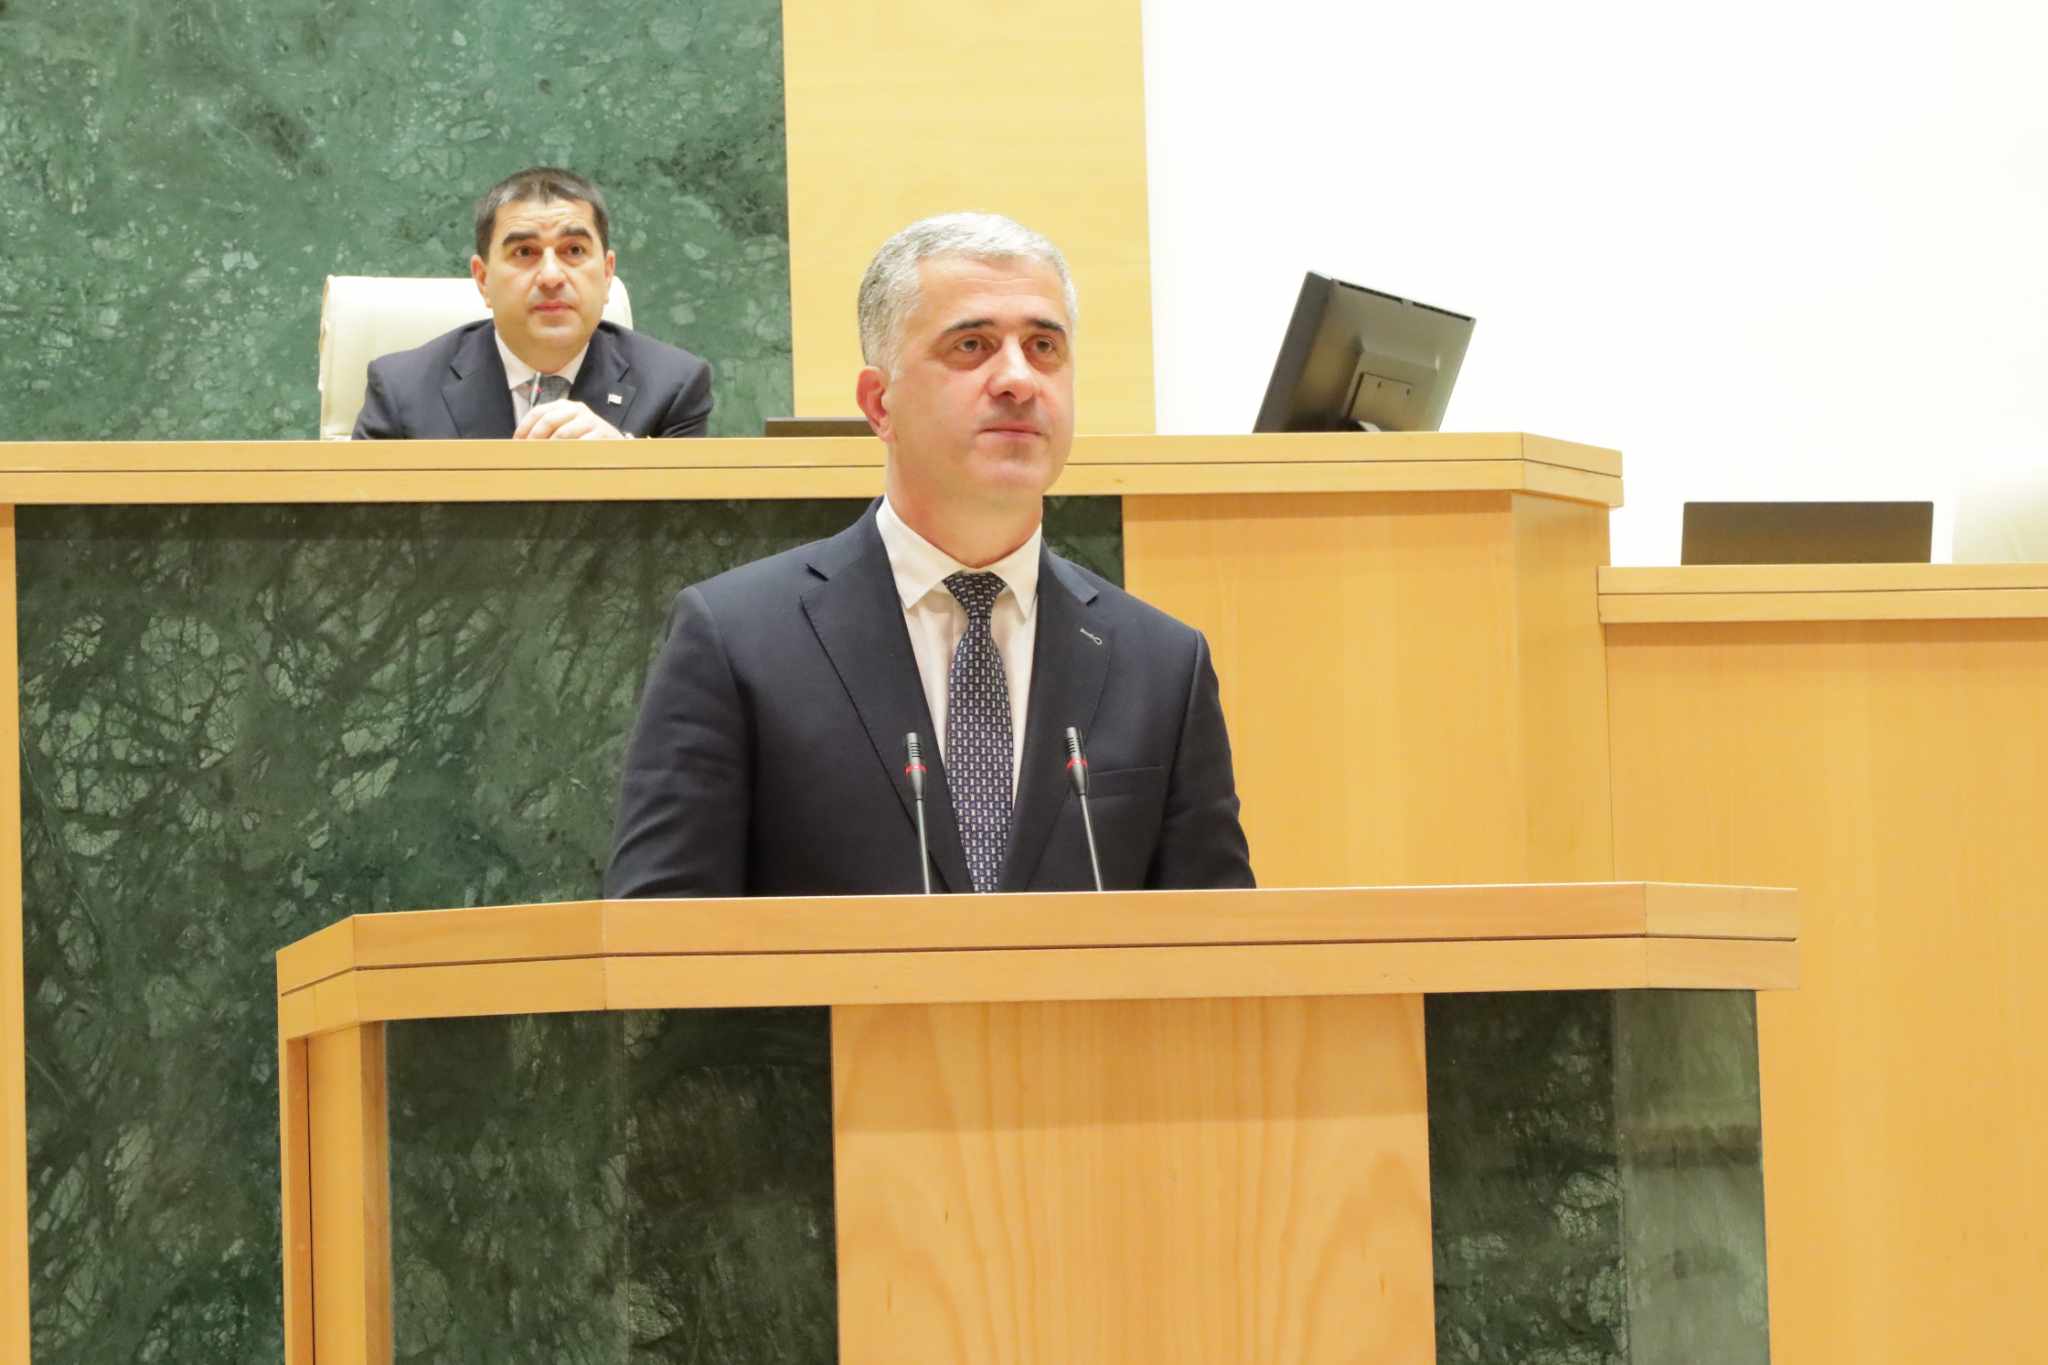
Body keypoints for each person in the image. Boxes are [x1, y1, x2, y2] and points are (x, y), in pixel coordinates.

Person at [605, 212, 1252, 897]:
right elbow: (661, 929)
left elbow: (1218, 942)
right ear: (879, 404)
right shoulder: (736, 641)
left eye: (1043, 347)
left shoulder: (1162, 664)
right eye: (972, 345)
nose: (1018, 379)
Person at [353, 167, 713, 440]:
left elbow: (689, 517)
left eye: (574, 250)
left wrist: (624, 464)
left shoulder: (674, 387)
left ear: (606, 274)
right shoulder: (402, 390)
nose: (551, 276)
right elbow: (362, 516)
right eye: (525, 252)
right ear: (483, 279)